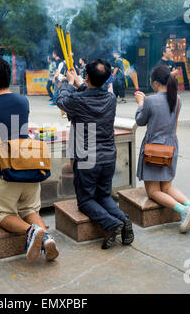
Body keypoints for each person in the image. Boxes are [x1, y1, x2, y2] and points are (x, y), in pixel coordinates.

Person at [0, 56, 59, 262]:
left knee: (1, 215)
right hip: (29, 163)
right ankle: (46, 238)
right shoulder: (23, 100)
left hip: (5, 169)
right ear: (9, 77)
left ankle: (31, 232)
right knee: (29, 209)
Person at [56, 59, 134, 249]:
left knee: (85, 201)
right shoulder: (111, 99)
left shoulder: (78, 100)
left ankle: (111, 223)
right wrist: (80, 83)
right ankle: (123, 218)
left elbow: (61, 101)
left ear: (88, 76)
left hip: (87, 158)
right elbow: (91, 93)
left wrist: (68, 82)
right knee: (104, 195)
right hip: (108, 155)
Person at [134, 65, 190, 233]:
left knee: (153, 191)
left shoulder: (150, 100)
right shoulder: (177, 99)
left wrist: (141, 103)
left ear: (155, 82)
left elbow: (140, 120)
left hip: (153, 149)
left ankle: (184, 211)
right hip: (171, 146)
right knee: (166, 187)